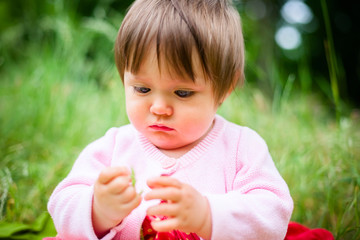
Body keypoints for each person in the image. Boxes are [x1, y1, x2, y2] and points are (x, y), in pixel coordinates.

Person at [47, 0, 293, 239]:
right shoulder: (114, 147)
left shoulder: (242, 148)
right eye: (142, 89)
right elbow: (62, 203)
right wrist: (97, 211)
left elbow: (273, 216)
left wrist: (208, 216)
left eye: (182, 93)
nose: (159, 108)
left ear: (224, 88)